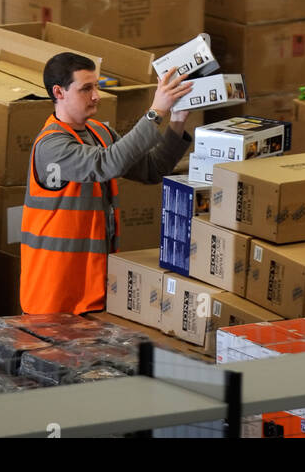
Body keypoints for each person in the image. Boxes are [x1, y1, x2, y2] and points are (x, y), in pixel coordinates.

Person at [20, 50, 193, 316]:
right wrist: (155, 112)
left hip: (93, 289)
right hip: (54, 294)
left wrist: (178, 119)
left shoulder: (100, 132)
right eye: (86, 88)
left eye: (97, 87)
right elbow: (104, 164)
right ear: (59, 92)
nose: (96, 95)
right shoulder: (51, 145)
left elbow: (152, 169)